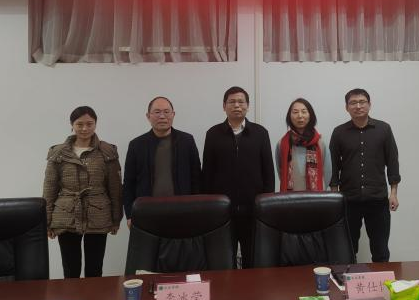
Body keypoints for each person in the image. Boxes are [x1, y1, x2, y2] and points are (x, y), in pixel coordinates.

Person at [42, 106, 122, 278]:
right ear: (72, 125)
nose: (85, 128)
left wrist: (116, 218)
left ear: (95, 124)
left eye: (89, 124)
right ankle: (72, 296)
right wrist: (46, 222)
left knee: (95, 268)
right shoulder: (58, 153)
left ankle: (94, 296)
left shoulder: (107, 151)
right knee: (70, 268)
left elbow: (115, 188)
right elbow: (49, 188)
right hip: (66, 214)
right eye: (79, 124)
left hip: (98, 213)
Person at [202, 86, 275, 268]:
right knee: (223, 260)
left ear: (247, 106)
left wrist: (266, 204)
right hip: (223, 211)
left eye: (241, 102)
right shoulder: (213, 134)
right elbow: (207, 172)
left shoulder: (260, 133)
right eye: (232, 102)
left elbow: (268, 172)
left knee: (254, 259)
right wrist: (209, 206)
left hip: (253, 210)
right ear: (224, 106)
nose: (237, 105)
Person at [329, 89, 400, 262]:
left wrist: (393, 193)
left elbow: (392, 161)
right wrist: (334, 196)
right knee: (347, 248)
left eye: (362, 102)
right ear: (346, 107)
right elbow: (333, 166)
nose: (358, 106)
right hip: (349, 200)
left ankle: (381, 279)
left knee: (380, 249)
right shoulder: (339, 132)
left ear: (369, 104)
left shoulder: (384, 129)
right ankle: (347, 279)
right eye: (353, 103)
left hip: (378, 200)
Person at [122, 96, 201, 224]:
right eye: (157, 112)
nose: (162, 116)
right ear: (148, 116)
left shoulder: (187, 141)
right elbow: (129, 183)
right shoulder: (136, 145)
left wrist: (197, 209)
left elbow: (196, 178)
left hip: (183, 210)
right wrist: (130, 215)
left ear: (173, 114)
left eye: (166, 112)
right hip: (147, 212)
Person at [275, 98, 331, 192]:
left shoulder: (320, 143)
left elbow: (327, 172)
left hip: (316, 197)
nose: (300, 116)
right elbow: (281, 171)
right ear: (289, 116)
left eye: (304, 112)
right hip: (290, 197)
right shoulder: (282, 144)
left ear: (310, 115)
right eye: (295, 112)